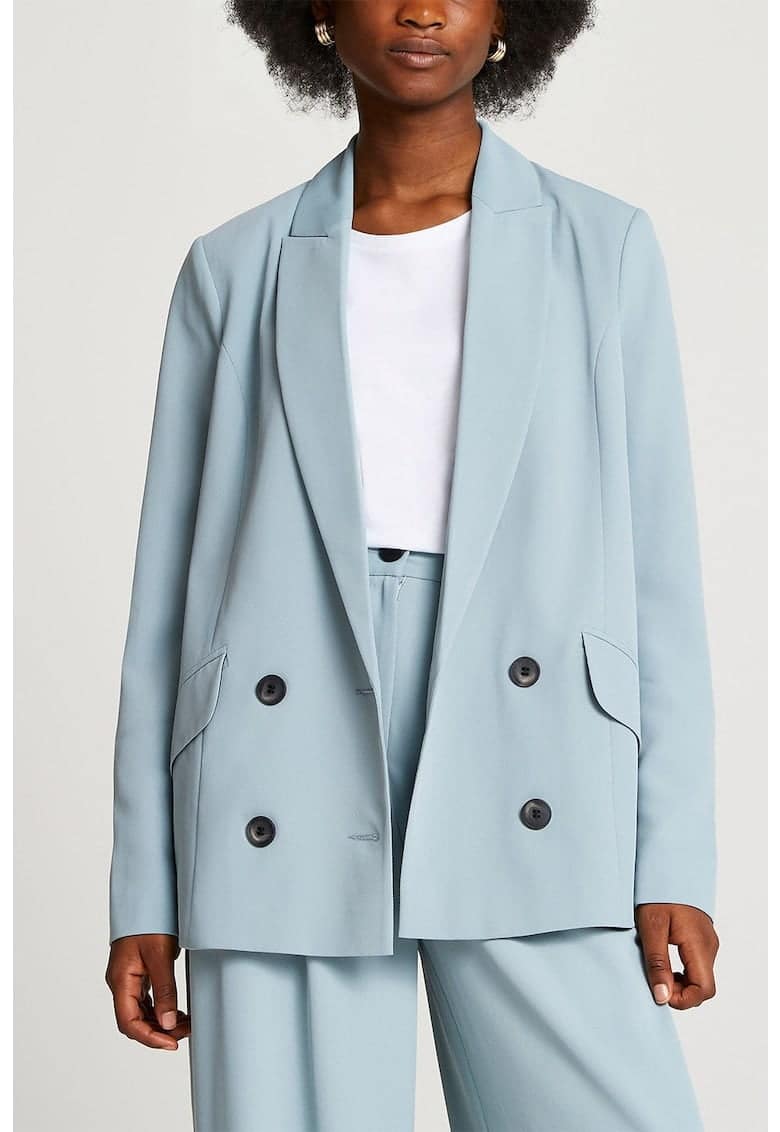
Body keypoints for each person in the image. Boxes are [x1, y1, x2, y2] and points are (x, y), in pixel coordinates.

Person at [105, 3, 720, 1129]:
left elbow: (660, 574)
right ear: (317, 13)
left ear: (511, 16)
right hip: (280, 742)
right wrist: (144, 885)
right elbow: (167, 600)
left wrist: (672, 858)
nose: (423, 8)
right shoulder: (232, 267)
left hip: (534, 723)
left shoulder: (604, 246)